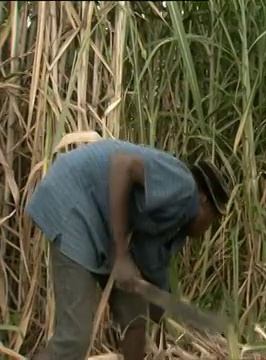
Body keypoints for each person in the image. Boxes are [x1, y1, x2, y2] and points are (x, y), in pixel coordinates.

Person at [25, 139, 231, 360]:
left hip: (101, 224)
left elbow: (150, 266)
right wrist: (121, 253)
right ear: (204, 201)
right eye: (213, 221)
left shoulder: (175, 219)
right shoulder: (184, 186)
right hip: (74, 201)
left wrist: (165, 306)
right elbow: (122, 165)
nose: (208, 229)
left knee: (135, 316)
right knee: (75, 338)